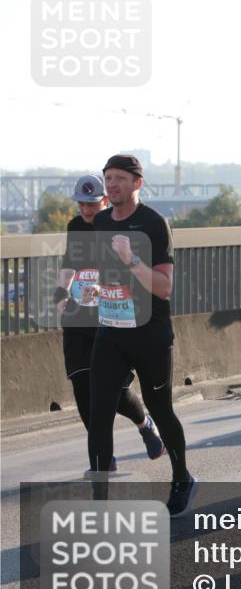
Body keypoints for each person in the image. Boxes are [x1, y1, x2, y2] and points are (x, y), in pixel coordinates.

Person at [88, 154, 196, 517]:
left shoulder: (153, 223)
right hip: (111, 330)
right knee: (99, 412)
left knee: (160, 409)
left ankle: (181, 478)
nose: (112, 184)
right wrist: (93, 289)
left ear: (137, 183)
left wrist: (132, 259)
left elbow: (164, 287)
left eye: (120, 178)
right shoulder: (101, 220)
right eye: (108, 178)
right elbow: (104, 271)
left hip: (150, 333)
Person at [54, 174, 163, 475]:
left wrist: (102, 289)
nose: (85, 210)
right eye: (81, 204)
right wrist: (62, 291)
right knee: (82, 387)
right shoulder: (75, 226)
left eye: (91, 204)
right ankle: (104, 459)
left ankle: (145, 424)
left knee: (114, 392)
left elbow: (128, 274)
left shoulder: (117, 227)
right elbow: (69, 263)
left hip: (111, 316)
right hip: (78, 317)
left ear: (104, 200)